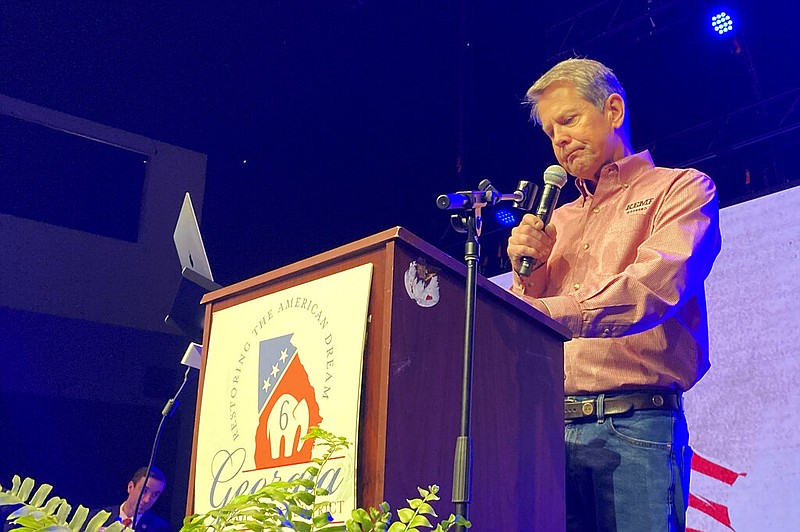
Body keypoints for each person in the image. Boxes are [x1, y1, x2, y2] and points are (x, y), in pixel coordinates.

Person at [506, 58, 721, 531]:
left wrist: (546, 308)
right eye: (549, 131)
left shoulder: (681, 188)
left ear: (614, 110)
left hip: (637, 426)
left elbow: (653, 286)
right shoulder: (556, 219)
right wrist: (529, 275)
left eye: (569, 120)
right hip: (551, 429)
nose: (558, 139)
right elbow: (532, 324)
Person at [97, 466, 169, 531]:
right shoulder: (99, 518)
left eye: (155, 495)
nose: (147, 500)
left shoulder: (160, 528)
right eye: (144, 491)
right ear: (130, 487)